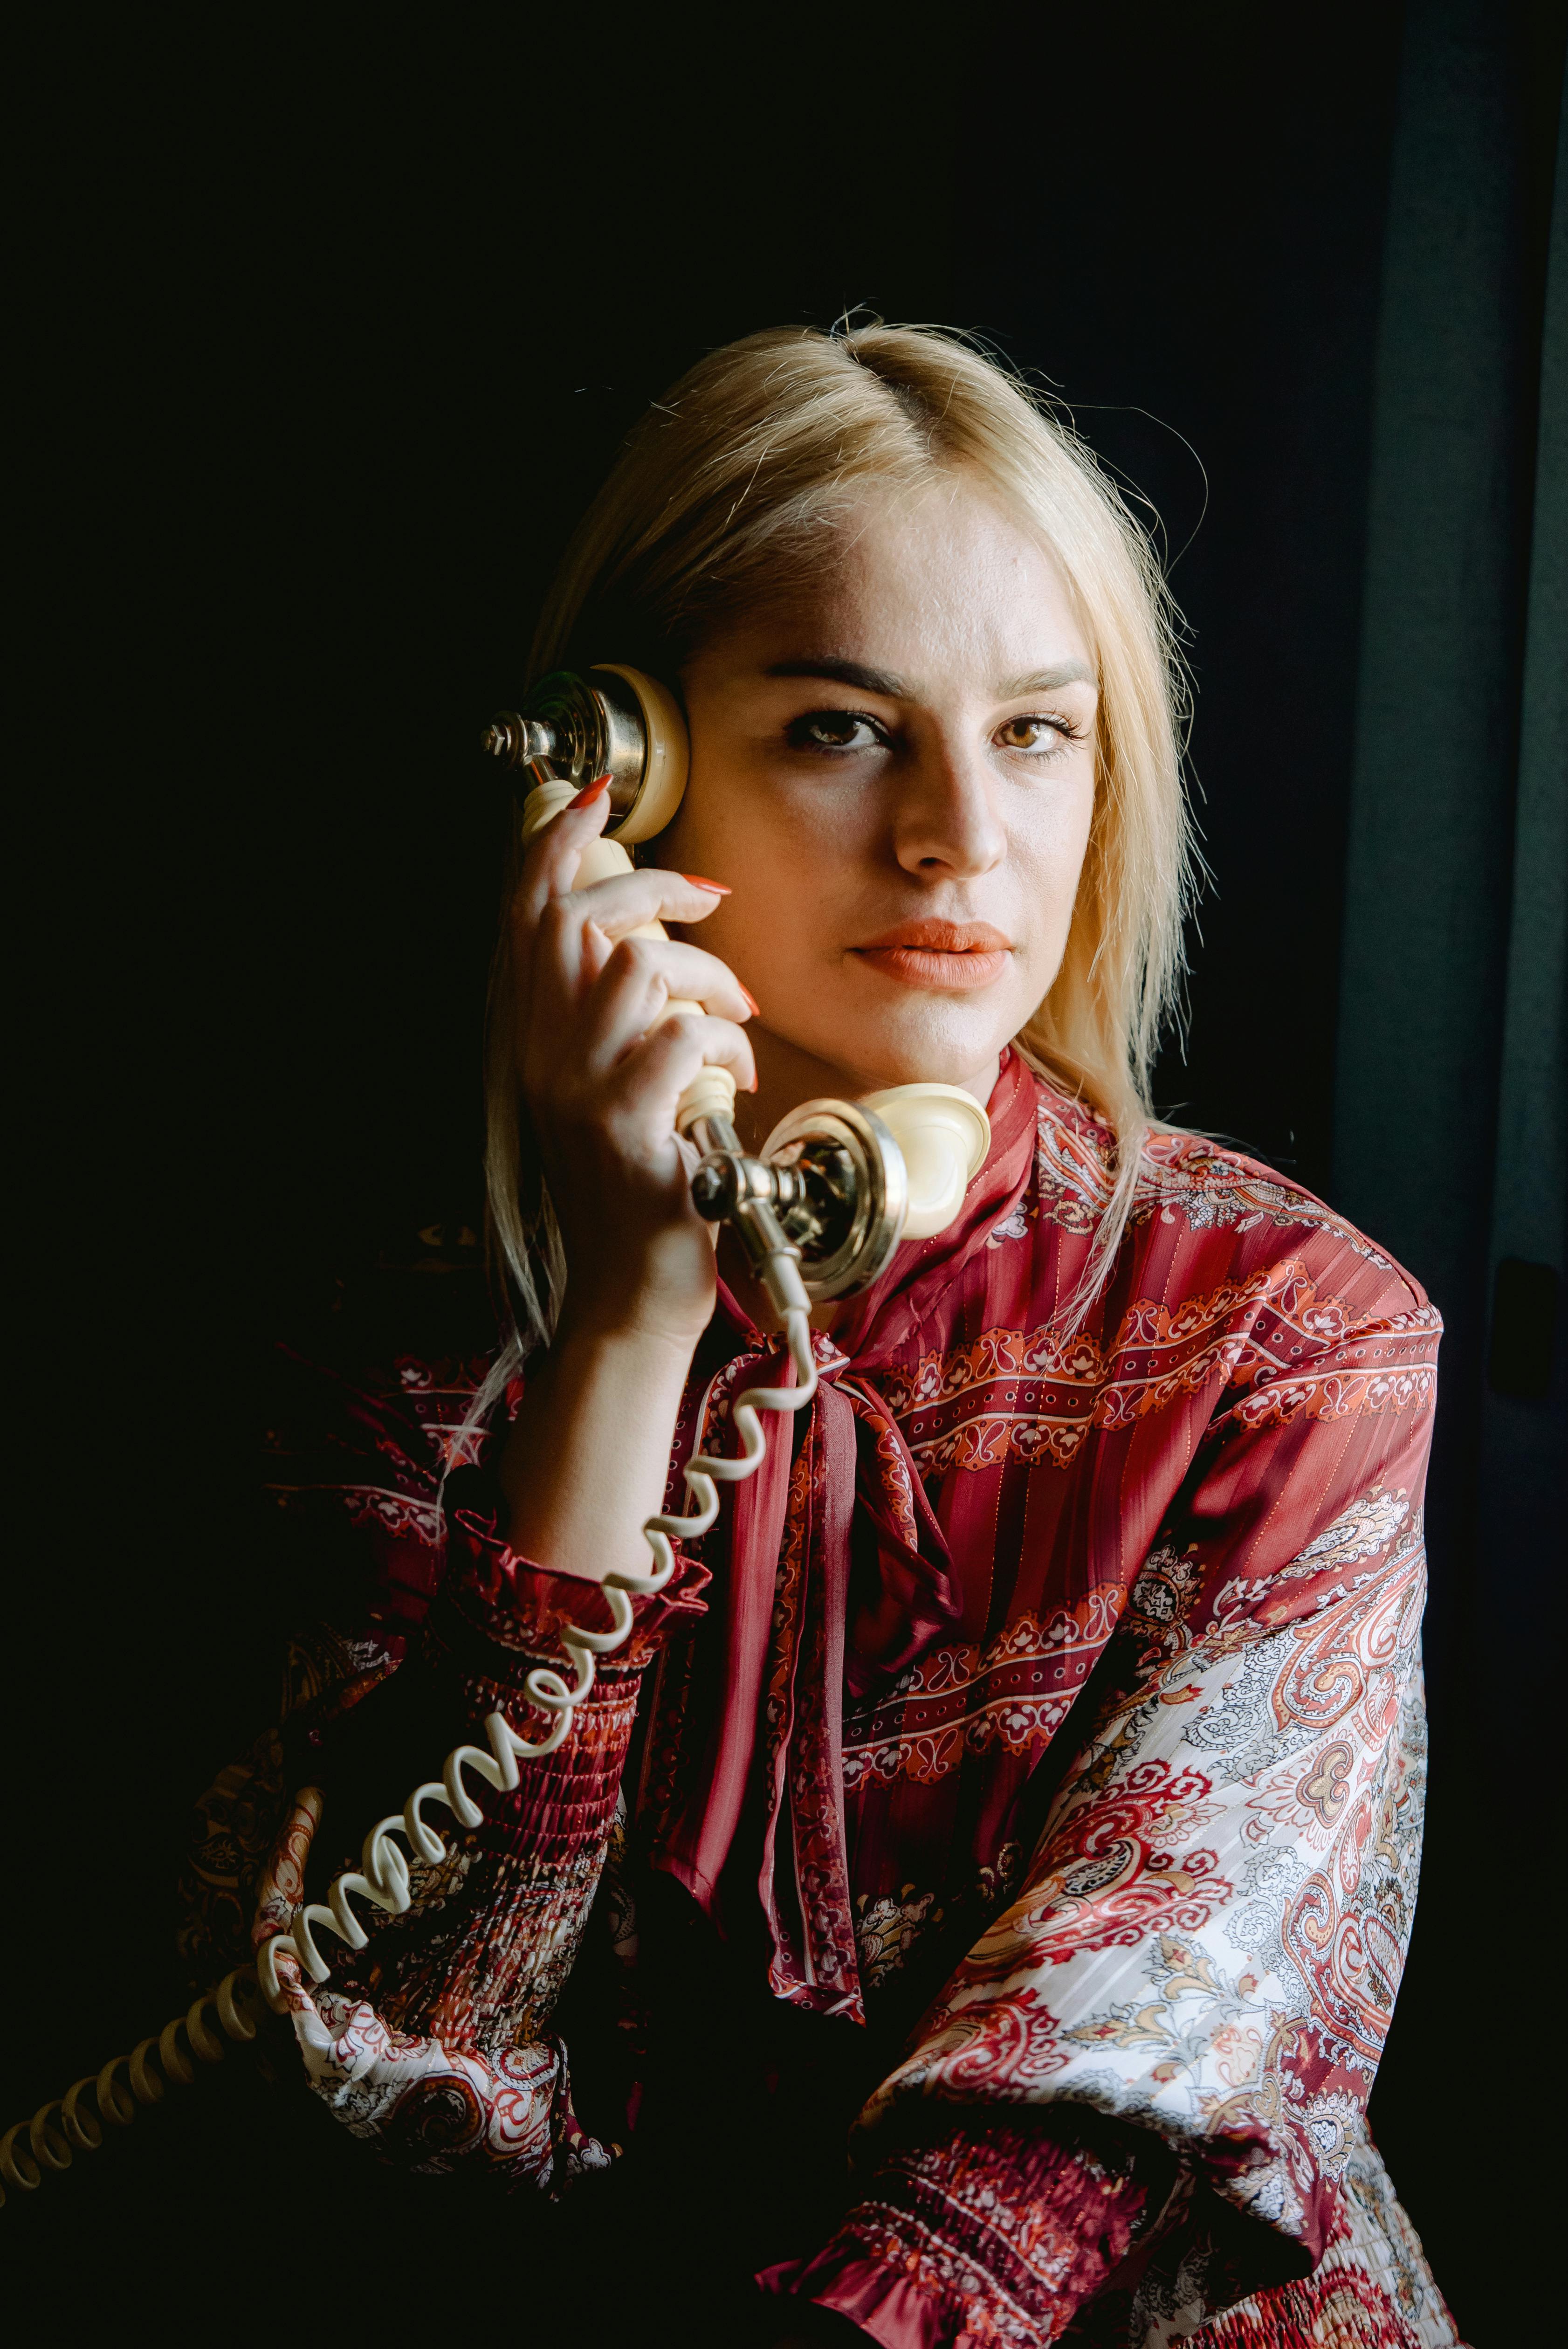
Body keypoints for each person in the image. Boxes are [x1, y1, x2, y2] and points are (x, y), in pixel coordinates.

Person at [182, 325, 1462, 2346]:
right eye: (843, 728)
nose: (962, 836)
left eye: (1036, 731)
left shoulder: (1286, 1333)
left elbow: (1115, 2089)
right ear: (616, 759)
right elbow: (401, 2064)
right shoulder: (398, 1354)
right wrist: (621, 1325)